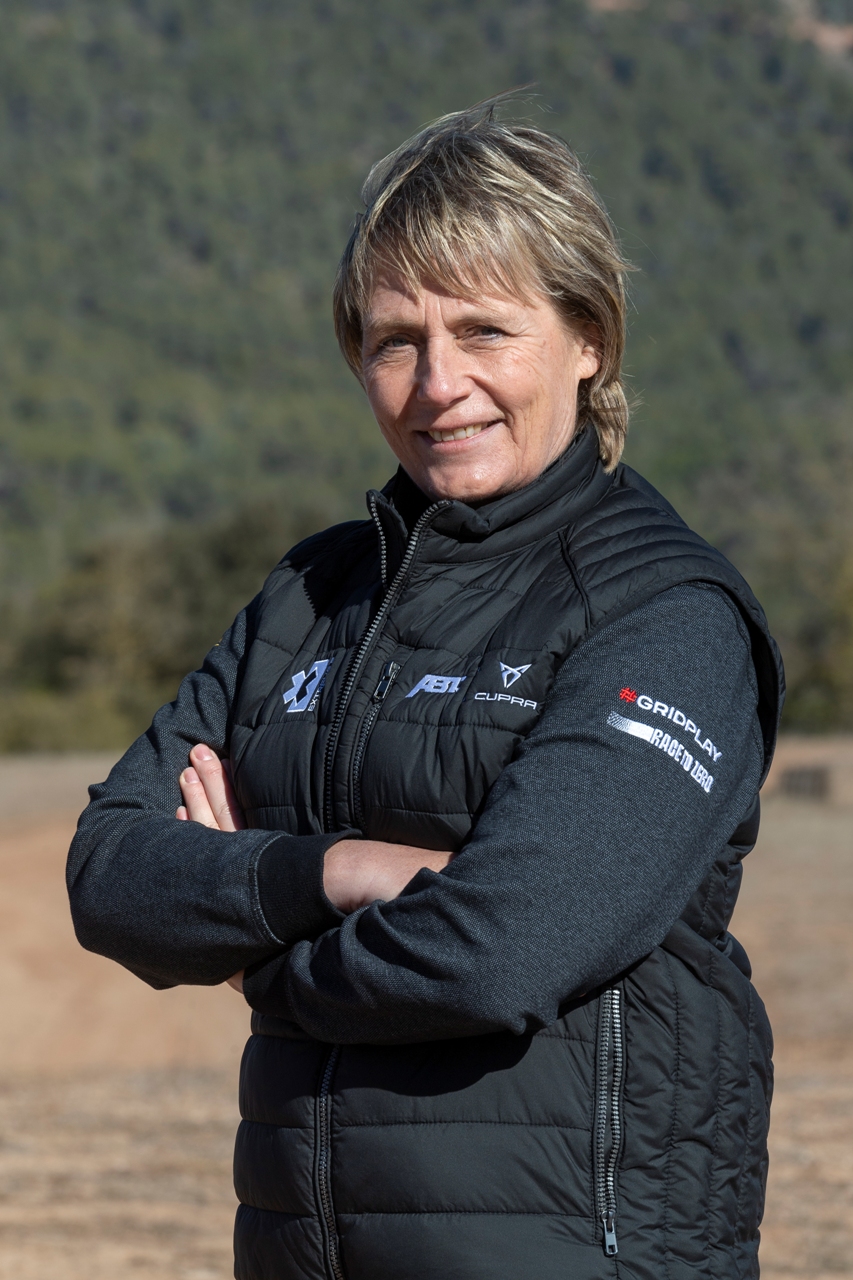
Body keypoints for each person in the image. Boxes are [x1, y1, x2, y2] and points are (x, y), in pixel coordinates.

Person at [68, 103, 784, 1280]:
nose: (438, 384)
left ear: (588, 336)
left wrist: (258, 960)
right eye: (395, 340)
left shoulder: (663, 611)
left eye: (485, 329)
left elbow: (503, 944)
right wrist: (335, 869)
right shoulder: (309, 595)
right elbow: (108, 870)